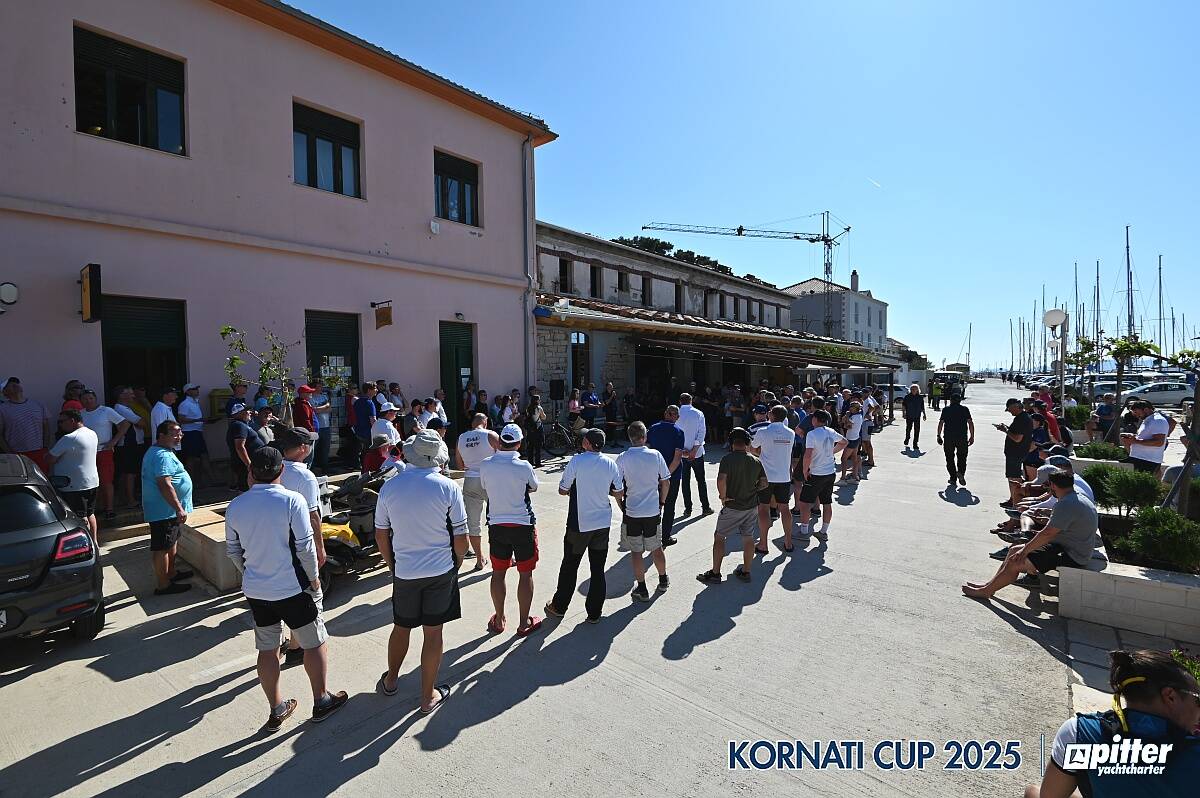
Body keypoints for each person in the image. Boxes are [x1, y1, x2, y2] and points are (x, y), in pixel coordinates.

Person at [226, 447, 348, 731]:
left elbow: (233, 551)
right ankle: (321, 700)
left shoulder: (236, 505)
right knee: (314, 643)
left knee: (267, 649)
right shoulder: (293, 500)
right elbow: (305, 547)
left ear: (250, 471)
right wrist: (314, 579)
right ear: (281, 470)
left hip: (257, 591)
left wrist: (250, 574)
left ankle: (276, 708)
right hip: (293, 588)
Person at [373, 430, 466, 712]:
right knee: (433, 633)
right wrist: (457, 561)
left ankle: (391, 680)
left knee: (401, 627)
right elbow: (461, 536)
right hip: (440, 569)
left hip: (405, 571)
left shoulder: (390, 487)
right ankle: (428, 697)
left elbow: (381, 534)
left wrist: (392, 564)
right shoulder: (448, 487)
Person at [1026, 649, 1200, 798]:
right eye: (1197, 700)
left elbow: (1049, 795)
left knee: (1033, 792)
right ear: (1170, 696)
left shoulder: (1080, 731)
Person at [963, 470, 1100, 597]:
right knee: (1013, 550)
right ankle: (989, 585)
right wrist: (1047, 514)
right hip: (1072, 548)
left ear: (1053, 485)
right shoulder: (1076, 498)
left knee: (1015, 561)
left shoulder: (1066, 504)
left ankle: (986, 592)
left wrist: (1024, 551)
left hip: (1073, 556)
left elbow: (1047, 534)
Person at [546, 428, 624, 623]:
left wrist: (573, 490)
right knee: (597, 569)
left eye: (584, 438)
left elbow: (562, 490)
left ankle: (559, 606)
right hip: (602, 523)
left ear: (588, 443)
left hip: (579, 524)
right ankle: (594, 613)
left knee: (570, 565)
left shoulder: (577, 461)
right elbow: (618, 492)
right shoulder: (610, 463)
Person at [479, 424, 542, 634]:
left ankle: (499, 619)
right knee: (525, 574)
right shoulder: (524, 466)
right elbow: (533, 487)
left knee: (498, 573)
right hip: (522, 525)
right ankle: (524, 623)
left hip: (497, 525)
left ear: (500, 442)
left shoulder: (486, 464)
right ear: (519, 443)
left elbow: (485, 486)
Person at [276, 427, 328, 665]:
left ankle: (290, 643)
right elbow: (313, 515)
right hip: (299, 542)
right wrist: (320, 547)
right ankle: (299, 646)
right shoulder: (305, 476)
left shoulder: (276, 468)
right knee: (307, 595)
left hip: (277, 540)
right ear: (303, 448)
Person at [697, 427, 766, 584]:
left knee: (719, 536)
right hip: (751, 506)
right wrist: (753, 490)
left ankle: (715, 573)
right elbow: (764, 483)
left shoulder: (728, 459)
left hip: (733, 505)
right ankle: (746, 571)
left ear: (731, 443)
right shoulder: (756, 461)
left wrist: (723, 497)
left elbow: (721, 479)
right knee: (748, 537)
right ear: (747, 443)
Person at [616, 421, 672, 601]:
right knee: (656, 547)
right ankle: (663, 579)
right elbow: (666, 482)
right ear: (644, 436)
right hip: (652, 510)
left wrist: (621, 505)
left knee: (636, 552)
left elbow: (617, 488)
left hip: (632, 512)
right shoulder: (655, 455)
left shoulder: (622, 458)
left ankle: (642, 588)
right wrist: (661, 502)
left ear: (629, 437)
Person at [141, 420, 194, 596]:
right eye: (174, 434)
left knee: (171, 542)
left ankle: (171, 573)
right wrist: (178, 508)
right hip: (163, 510)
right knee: (162, 547)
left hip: (167, 510)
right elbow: (164, 484)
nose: (179, 437)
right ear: (161, 436)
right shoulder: (162, 455)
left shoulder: (162, 451)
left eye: (180, 433)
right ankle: (163, 585)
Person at [46, 407, 101, 544]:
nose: (60, 425)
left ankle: (86, 545)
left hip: (74, 484)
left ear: (72, 421)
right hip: (92, 481)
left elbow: (50, 458)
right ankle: (94, 542)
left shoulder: (69, 438)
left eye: (61, 421)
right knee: (90, 513)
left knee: (80, 517)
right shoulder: (92, 433)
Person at [793, 410, 847, 544]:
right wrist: (831, 452)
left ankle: (804, 531)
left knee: (805, 503)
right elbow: (844, 442)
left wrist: (805, 470)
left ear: (815, 420)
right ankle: (823, 531)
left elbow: (808, 454)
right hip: (830, 472)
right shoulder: (831, 431)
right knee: (827, 502)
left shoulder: (812, 434)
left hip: (816, 473)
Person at [749, 406, 796, 553]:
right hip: (784, 476)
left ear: (771, 415)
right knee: (784, 507)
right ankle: (788, 542)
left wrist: (762, 454)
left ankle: (763, 544)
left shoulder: (763, 432)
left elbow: (752, 448)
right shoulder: (791, 433)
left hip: (766, 475)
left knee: (763, 507)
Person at [80, 389, 131, 521]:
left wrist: (114, 441)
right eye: (85, 399)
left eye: (90, 398)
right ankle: (95, 508)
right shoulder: (80, 413)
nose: (88, 401)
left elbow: (125, 424)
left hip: (104, 450)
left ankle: (109, 509)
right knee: (90, 481)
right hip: (87, 452)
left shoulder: (106, 411)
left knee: (106, 480)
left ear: (95, 398)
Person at [456, 413, 499, 570]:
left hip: (470, 481)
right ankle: (502, 556)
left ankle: (480, 559)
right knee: (498, 519)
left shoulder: (461, 438)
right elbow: (504, 457)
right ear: (485, 422)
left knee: (473, 523)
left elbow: (460, 465)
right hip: (490, 480)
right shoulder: (491, 435)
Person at [646, 406, 686, 546]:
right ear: (677, 417)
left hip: (653, 474)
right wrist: (666, 475)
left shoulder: (653, 428)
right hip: (672, 476)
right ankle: (665, 537)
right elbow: (677, 457)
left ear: (665, 414)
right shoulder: (679, 432)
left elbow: (647, 450)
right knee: (669, 506)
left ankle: (650, 535)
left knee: (654, 506)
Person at [0, 377, 52, 472]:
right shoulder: (2, 409)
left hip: (39, 453)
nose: (15, 385)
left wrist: (45, 448)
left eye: (16, 383)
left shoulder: (39, 405)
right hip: (17, 455)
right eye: (10, 384)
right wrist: (10, 454)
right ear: (4, 392)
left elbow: (46, 428)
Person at [676, 393, 713, 517]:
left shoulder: (676, 413)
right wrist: (694, 449)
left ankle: (688, 509)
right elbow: (702, 433)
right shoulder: (698, 413)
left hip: (682, 453)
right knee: (701, 480)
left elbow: (675, 434)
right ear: (691, 401)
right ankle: (705, 507)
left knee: (685, 482)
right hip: (696, 453)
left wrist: (683, 450)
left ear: (680, 401)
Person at [111, 386, 146, 509]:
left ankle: (123, 498)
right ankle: (130, 500)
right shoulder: (120, 409)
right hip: (128, 444)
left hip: (132, 444)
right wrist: (139, 422)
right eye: (130, 393)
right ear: (121, 395)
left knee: (128, 472)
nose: (133, 396)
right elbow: (142, 423)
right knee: (130, 473)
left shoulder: (127, 408)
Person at [997, 398, 1034, 507]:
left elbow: (1017, 438)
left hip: (1016, 453)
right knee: (1013, 476)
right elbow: (1017, 432)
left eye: (1009, 409)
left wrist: (1006, 430)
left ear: (1016, 407)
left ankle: (1015, 501)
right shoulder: (1022, 418)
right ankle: (1014, 499)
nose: (1009, 411)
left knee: (1014, 478)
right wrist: (1007, 428)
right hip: (1017, 452)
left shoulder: (1022, 419)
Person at [177, 383, 215, 485]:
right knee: (191, 458)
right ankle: (190, 483)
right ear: (188, 392)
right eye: (194, 389)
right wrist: (198, 420)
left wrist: (205, 421)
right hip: (189, 433)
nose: (197, 390)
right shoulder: (185, 404)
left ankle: (211, 480)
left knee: (204, 455)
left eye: (197, 388)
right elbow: (181, 419)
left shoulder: (195, 403)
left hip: (197, 432)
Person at [1121, 400, 1170, 475]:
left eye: (1137, 412)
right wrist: (1134, 437)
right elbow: (1147, 436)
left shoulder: (1158, 420)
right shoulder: (1148, 420)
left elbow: (1159, 442)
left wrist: (1135, 441)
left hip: (1148, 460)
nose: (1136, 415)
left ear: (1146, 409)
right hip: (1140, 458)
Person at [937, 393, 975, 486]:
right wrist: (972, 436)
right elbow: (970, 423)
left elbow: (941, 423)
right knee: (962, 457)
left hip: (949, 438)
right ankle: (961, 473)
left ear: (950, 400)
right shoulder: (965, 409)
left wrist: (938, 435)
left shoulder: (946, 410)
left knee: (949, 458)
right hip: (962, 437)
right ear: (960, 401)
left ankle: (953, 478)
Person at [227, 403, 265, 491]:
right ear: (240, 413)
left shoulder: (243, 425)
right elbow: (240, 446)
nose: (250, 412)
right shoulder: (238, 425)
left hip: (249, 464)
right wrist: (249, 464)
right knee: (246, 489)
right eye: (247, 411)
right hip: (244, 466)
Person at [307, 379, 333, 474]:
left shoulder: (324, 397)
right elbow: (314, 410)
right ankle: (313, 468)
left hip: (326, 426)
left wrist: (321, 408)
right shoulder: (310, 398)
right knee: (314, 449)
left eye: (321, 386)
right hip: (316, 427)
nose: (321, 388)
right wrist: (325, 407)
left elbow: (330, 409)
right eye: (319, 386)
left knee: (325, 449)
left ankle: (325, 468)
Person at [839, 400, 864, 482]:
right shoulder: (858, 416)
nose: (850, 408)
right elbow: (844, 423)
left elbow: (847, 426)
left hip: (851, 439)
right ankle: (855, 476)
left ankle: (843, 478)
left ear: (856, 408)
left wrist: (847, 416)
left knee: (843, 458)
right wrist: (846, 419)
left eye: (852, 407)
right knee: (854, 457)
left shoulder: (854, 417)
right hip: (856, 438)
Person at [352, 383, 379, 451]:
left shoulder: (357, 402)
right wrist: (379, 432)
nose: (377, 390)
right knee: (369, 453)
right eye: (375, 388)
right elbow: (373, 420)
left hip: (358, 432)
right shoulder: (370, 403)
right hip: (368, 434)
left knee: (362, 453)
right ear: (369, 390)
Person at [523, 394, 546, 468]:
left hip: (530, 429)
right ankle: (537, 462)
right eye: (539, 399)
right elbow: (544, 417)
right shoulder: (539, 408)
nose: (540, 401)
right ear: (537, 400)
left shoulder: (528, 408)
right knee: (538, 447)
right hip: (537, 428)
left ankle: (530, 462)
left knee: (531, 447)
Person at [901, 384, 926, 449]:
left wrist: (924, 414)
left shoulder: (920, 397)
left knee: (917, 430)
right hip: (909, 415)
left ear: (917, 390)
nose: (913, 390)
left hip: (917, 415)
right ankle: (907, 438)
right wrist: (903, 413)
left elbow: (922, 406)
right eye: (912, 389)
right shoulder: (907, 397)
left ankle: (915, 443)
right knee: (908, 428)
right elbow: (903, 405)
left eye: (915, 389)